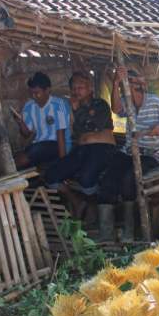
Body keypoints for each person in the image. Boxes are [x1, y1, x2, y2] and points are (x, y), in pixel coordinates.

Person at [96, 68, 159, 242]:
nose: (125, 90)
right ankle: (106, 234)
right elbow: (116, 109)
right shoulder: (127, 103)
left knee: (129, 181)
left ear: (137, 88)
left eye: (128, 86)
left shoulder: (154, 102)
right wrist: (115, 83)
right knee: (107, 179)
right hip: (128, 152)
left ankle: (129, 231)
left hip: (150, 156)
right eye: (124, 87)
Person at [45, 71, 117, 230]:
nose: (76, 91)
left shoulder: (100, 104)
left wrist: (77, 110)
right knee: (51, 175)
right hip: (81, 150)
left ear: (90, 88)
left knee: (86, 178)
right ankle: (77, 201)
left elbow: (94, 126)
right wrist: (74, 111)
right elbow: (72, 131)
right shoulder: (71, 107)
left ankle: (92, 207)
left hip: (102, 149)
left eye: (80, 87)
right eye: (74, 88)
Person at [12, 72, 71, 169]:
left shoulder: (58, 104)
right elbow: (26, 134)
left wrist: (63, 164)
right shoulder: (29, 106)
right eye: (31, 93)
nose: (34, 96)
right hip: (39, 145)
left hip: (57, 145)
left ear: (47, 90)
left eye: (37, 93)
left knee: (24, 159)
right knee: (19, 159)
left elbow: (61, 134)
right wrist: (20, 122)